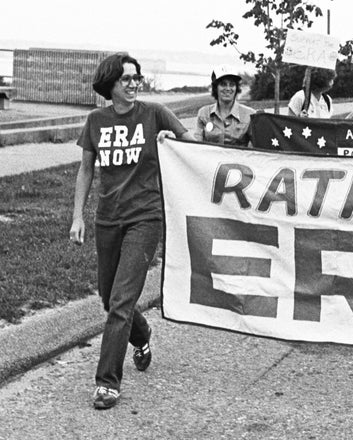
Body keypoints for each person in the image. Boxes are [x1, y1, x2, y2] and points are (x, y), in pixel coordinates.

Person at [69, 53, 194, 410]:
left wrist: (174, 141)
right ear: (111, 85)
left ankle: (107, 382)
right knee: (108, 297)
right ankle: (141, 335)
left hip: (145, 218)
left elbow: (191, 145)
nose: (134, 83)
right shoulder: (96, 120)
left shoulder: (154, 113)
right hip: (107, 220)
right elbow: (85, 171)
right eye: (126, 78)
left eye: (137, 77)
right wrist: (77, 216)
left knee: (121, 302)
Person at [196, 65, 255, 146]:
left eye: (232, 84)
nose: (228, 88)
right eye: (223, 84)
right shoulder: (203, 113)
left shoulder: (250, 115)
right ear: (215, 88)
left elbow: (256, 149)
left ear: (236, 88)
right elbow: (195, 145)